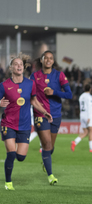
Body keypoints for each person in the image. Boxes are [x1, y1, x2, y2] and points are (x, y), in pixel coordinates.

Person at [1, 54, 52, 190]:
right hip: (8, 123)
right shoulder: (4, 86)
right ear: (11, 68)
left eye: (21, 64)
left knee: (21, 157)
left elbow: (34, 101)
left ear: (23, 68)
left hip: (24, 125)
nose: (19, 66)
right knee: (11, 154)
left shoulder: (30, 84)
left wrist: (45, 112)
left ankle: (10, 171)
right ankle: (8, 182)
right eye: (16, 64)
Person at [30, 50, 72, 185]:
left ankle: (45, 159)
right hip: (40, 114)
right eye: (45, 58)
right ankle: (51, 176)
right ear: (41, 60)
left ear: (53, 61)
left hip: (56, 115)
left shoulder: (59, 75)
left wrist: (55, 92)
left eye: (50, 58)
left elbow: (69, 94)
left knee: (51, 147)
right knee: (47, 144)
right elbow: (29, 94)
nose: (48, 60)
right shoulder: (34, 76)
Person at [71, 84, 92, 153]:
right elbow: (89, 107)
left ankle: (75, 142)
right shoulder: (90, 97)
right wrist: (89, 117)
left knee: (86, 132)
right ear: (90, 89)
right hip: (88, 115)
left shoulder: (81, 96)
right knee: (91, 131)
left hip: (82, 115)